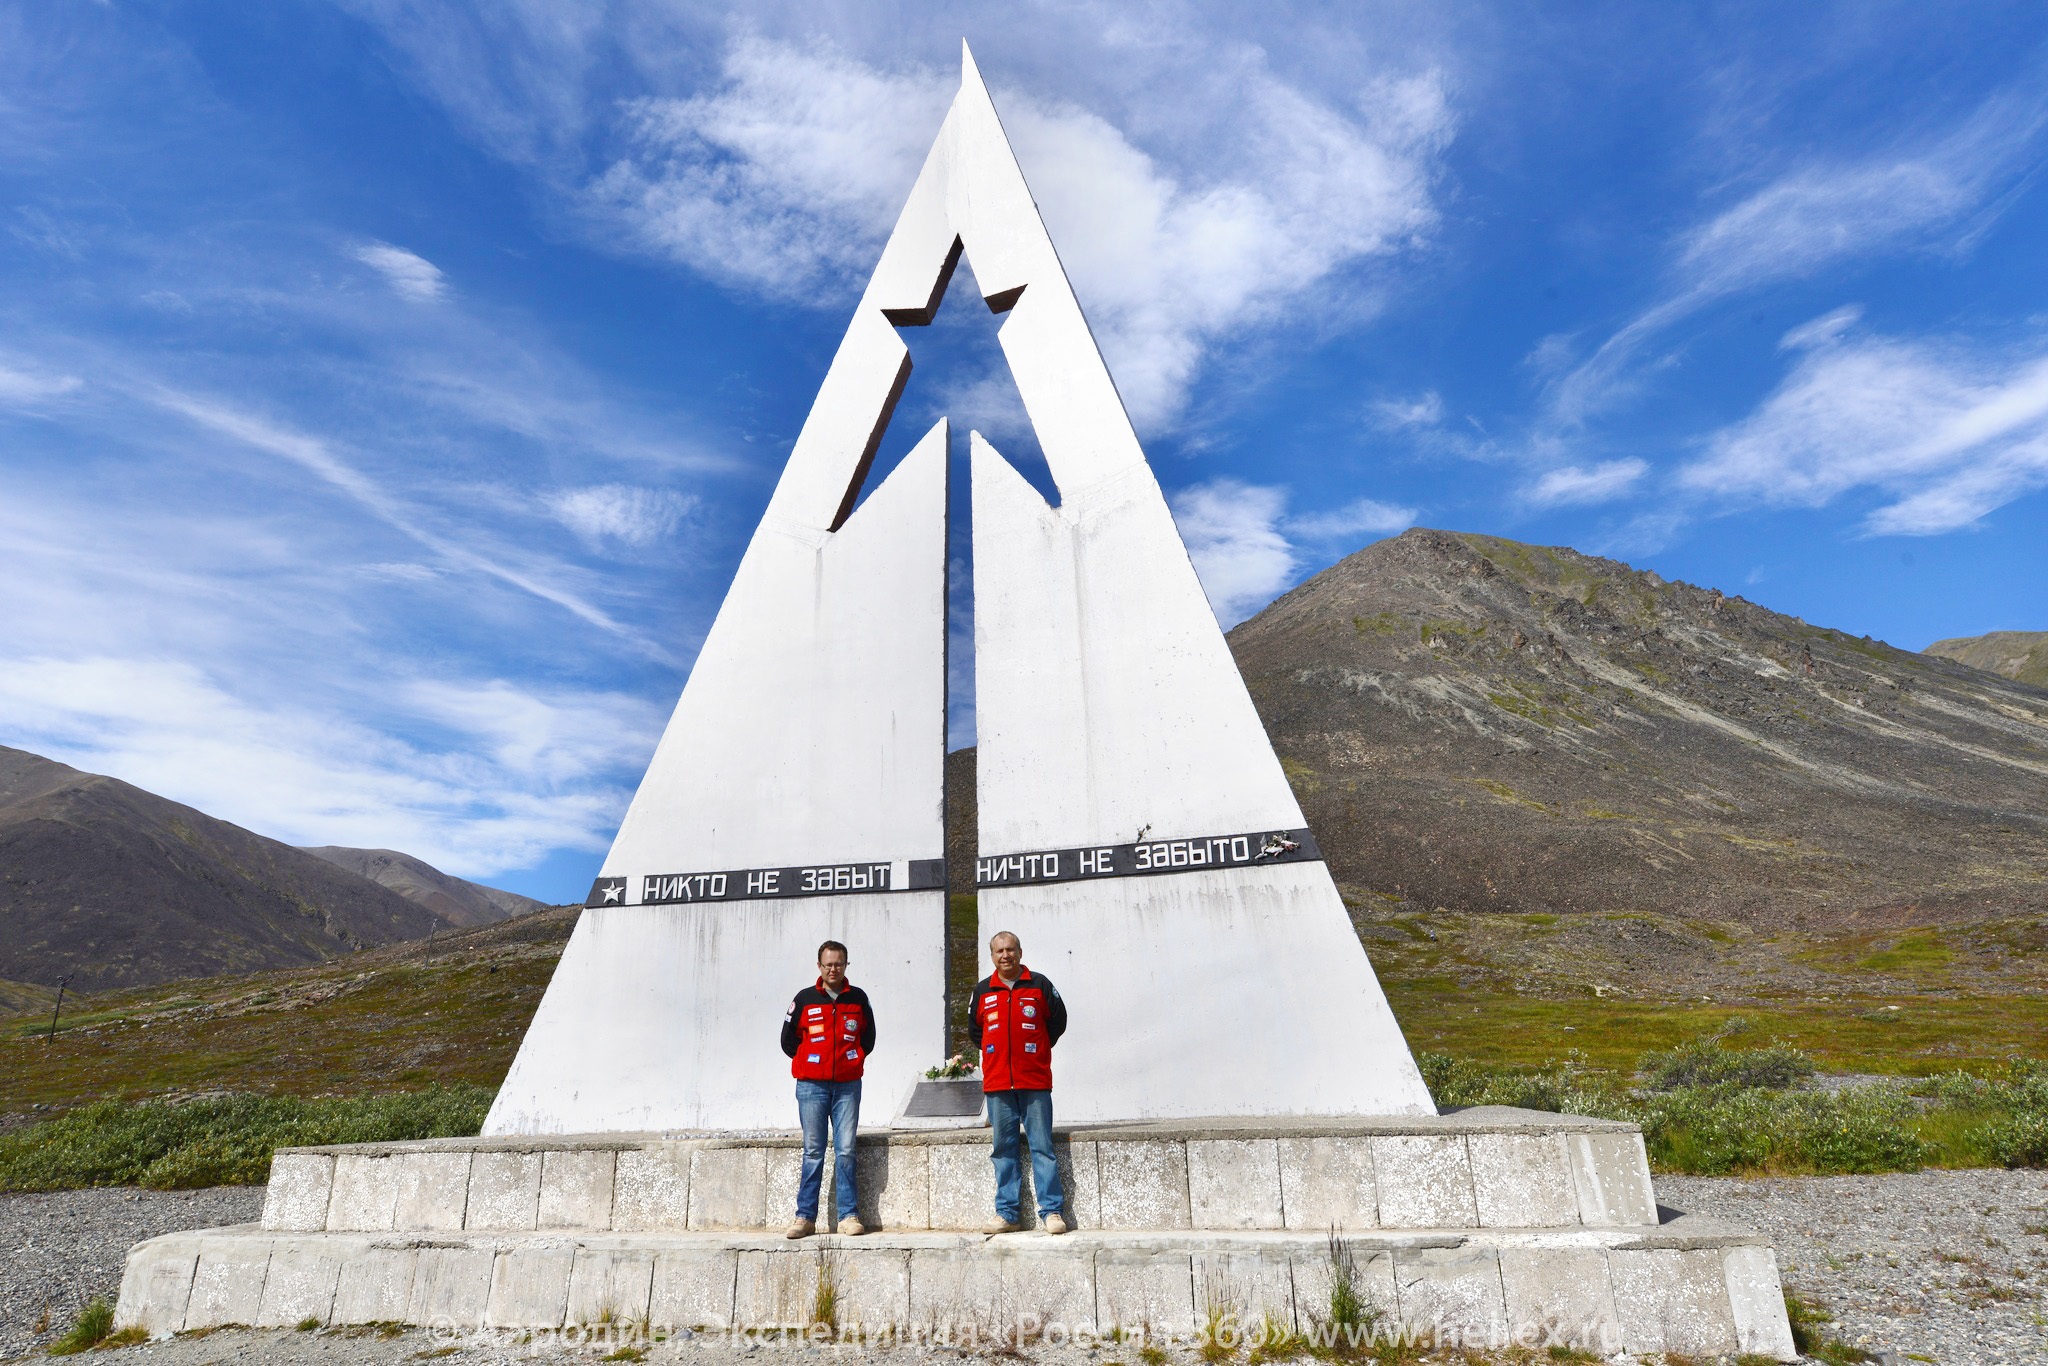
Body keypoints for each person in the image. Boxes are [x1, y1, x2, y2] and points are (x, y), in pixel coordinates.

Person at [969, 930, 1068, 1234]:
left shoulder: (1039, 984)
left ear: (1020, 953)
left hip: (1034, 1081)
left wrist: (1035, 1050)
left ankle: (1051, 1212)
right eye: (999, 951)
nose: (1005, 955)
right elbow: (976, 1032)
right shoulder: (982, 991)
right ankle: (1007, 1214)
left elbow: (1058, 1022)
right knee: (1003, 1150)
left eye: (1010, 950)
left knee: (1042, 1147)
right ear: (992, 956)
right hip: (998, 1084)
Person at [779, 940, 874, 1238]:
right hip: (811, 1087)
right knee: (813, 1151)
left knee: (846, 1150)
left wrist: (852, 1060)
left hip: (847, 1087)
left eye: (839, 963)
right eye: (828, 964)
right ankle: (805, 1218)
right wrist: (811, 1063)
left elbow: (868, 1038)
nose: (833, 968)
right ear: (819, 966)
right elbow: (787, 1041)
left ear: (846, 965)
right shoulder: (804, 999)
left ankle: (848, 1216)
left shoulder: (858, 998)